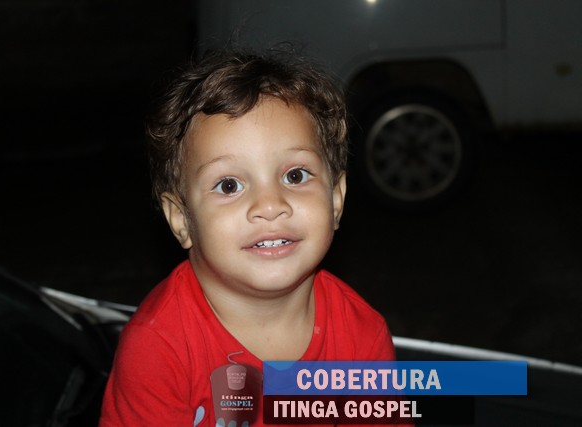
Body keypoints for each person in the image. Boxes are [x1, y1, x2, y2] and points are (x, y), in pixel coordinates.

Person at [99, 48, 399, 426]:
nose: (270, 205)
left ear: (336, 200)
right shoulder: (158, 348)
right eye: (229, 185)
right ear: (181, 220)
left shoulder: (362, 338)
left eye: (295, 176)